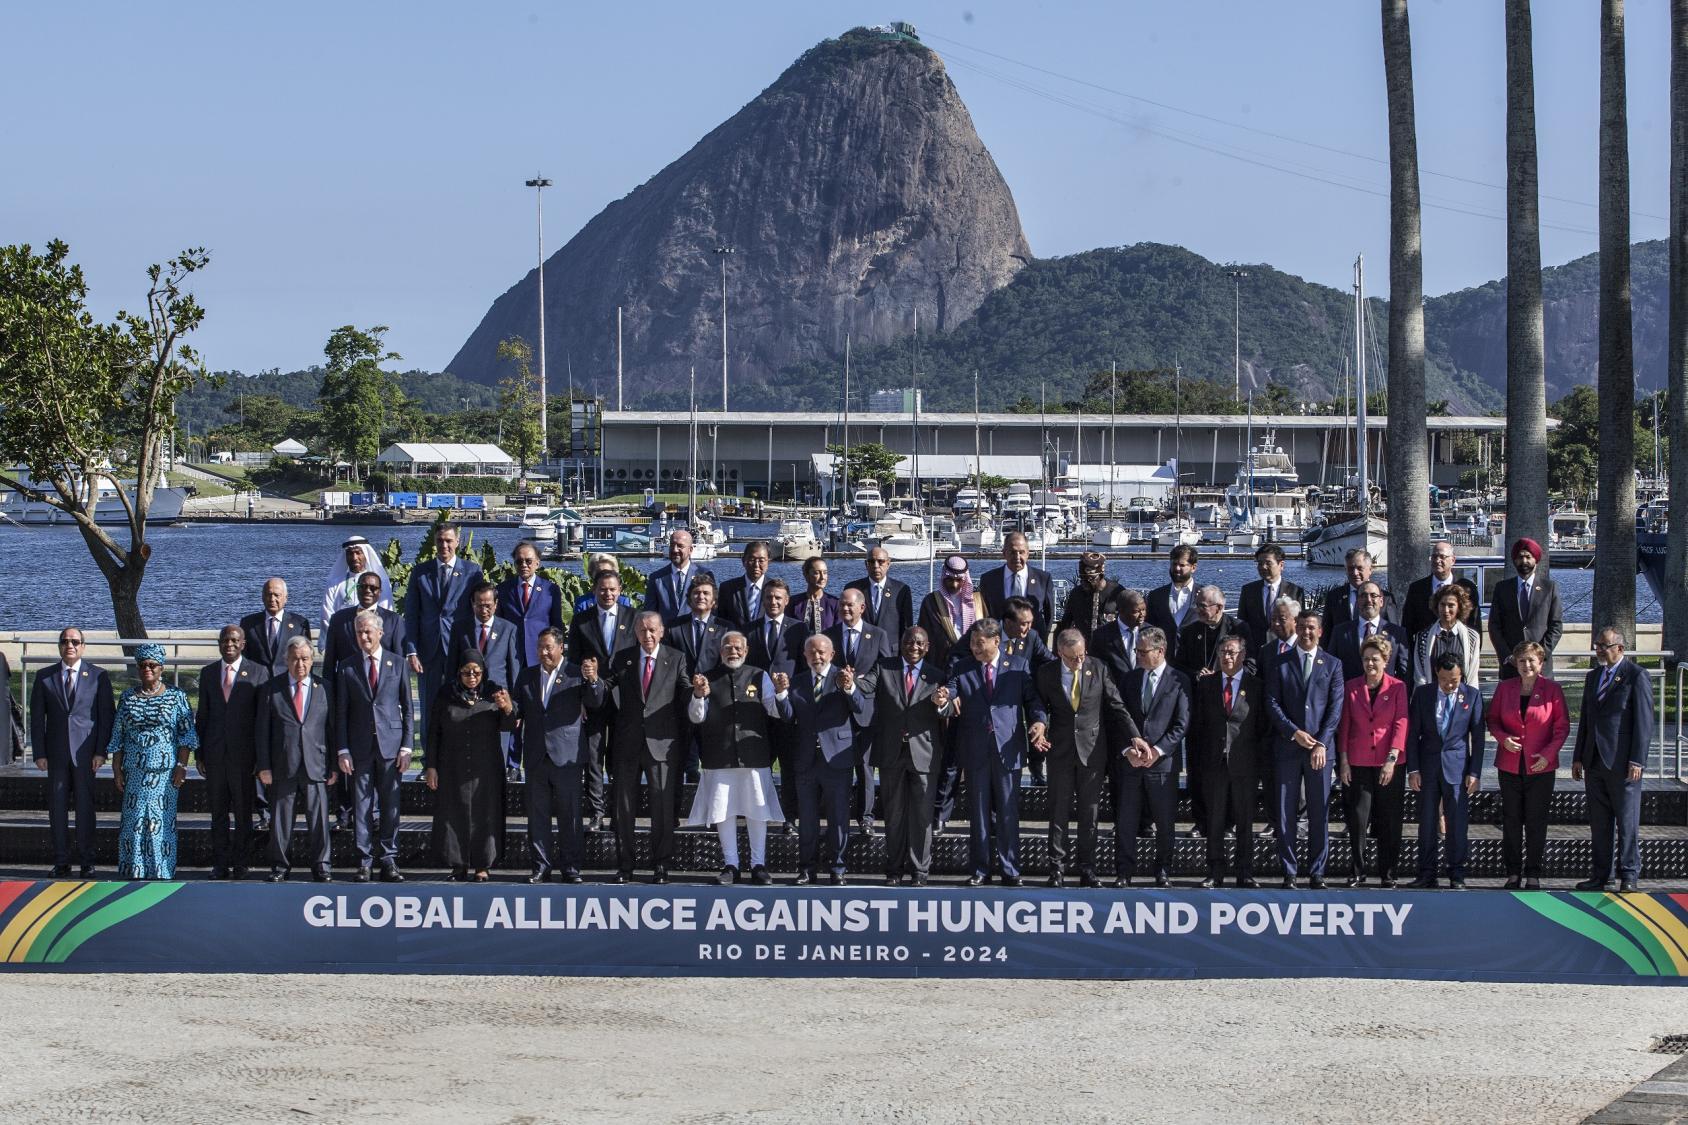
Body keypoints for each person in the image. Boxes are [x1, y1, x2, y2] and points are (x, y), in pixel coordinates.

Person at [938, 618, 1048, 887]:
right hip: (975, 749)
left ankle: (1010, 870)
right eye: (972, 643)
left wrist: (1039, 722)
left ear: (996, 641)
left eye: (980, 643)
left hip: (1007, 749)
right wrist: (943, 699)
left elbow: (1033, 700)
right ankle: (980, 869)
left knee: (1009, 812)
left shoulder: (1019, 666)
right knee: (978, 813)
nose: (974, 647)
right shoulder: (962, 667)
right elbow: (950, 691)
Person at [1037, 629, 1138, 888]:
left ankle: (1087, 868)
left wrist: (1134, 736)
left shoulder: (1099, 668)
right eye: (1072, 658)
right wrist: (1039, 724)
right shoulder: (1047, 673)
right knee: (1058, 813)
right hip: (1060, 752)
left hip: (1092, 753)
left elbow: (1116, 705)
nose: (1078, 662)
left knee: (1089, 814)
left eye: (1082, 655)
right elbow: (1039, 706)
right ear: (1060, 653)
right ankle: (1057, 869)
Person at [685, 631, 784, 885]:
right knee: (723, 811)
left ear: (746, 650)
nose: (733, 651)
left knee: (757, 811)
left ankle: (758, 864)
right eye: (728, 647)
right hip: (719, 756)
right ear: (720, 652)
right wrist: (698, 695)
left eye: (738, 647)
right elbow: (697, 717)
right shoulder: (707, 678)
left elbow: (774, 710)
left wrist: (782, 692)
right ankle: (731, 864)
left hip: (754, 757)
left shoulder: (759, 676)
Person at [600, 611, 692, 883]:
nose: (648, 635)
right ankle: (625, 866)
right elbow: (606, 687)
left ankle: (661, 865)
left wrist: (698, 693)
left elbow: (685, 690)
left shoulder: (676, 658)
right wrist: (593, 681)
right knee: (623, 809)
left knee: (662, 808)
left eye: (652, 630)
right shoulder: (622, 659)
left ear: (662, 631)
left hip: (662, 744)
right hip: (627, 743)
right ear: (635, 633)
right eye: (642, 630)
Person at [513, 629, 603, 884]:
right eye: (540, 647)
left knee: (570, 815)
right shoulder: (528, 675)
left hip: (567, 756)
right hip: (536, 755)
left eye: (548, 647)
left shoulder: (576, 673)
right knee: (537, 816)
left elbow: (596, 701)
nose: (543, 652)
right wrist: (508, 707)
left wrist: (594, 680)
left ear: (561, 647)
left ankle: (571, 867)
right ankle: (541, 866)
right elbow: (518, 708)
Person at [781, 635, 872, 885]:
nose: (817, 657)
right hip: (806, 760)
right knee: (807, 819)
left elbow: (859, 708)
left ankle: (838, 868)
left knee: (839, 818)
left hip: (837, 758)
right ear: (805, 656)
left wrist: (850, 687)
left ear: (832, 654)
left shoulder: (842, 677)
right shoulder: (798, 682)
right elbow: (788, 716)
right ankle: (807, 869)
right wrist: (780, 695)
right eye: (812, 653)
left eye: (821, 652)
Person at [1264, 609, 1343, 889]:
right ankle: (1289, 870)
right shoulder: (1279, 663)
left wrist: (1321, 742)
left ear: (1320, 631)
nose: (1306, 632)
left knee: (1319, 812)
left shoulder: (1332, 664)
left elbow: (1335, 709)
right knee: (1286, 811)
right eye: (1302, 627)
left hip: (1320, 751)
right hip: (1288, 748)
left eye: (1311, 627)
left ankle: (1317, 871)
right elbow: (1272, 703)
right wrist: (1292, 732)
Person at [333, 609, 413, 883]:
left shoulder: (397, 663)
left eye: (368, 631)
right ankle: (364, 860)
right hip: (359, 747)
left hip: (391, 747)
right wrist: (342, 749)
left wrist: (407, 747)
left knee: (391, 805)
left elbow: (408, 709)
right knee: (362, 805)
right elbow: (341, 712)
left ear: (380, 633)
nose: (364, 636)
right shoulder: (347, 666)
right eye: (359, 632)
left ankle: (389, 859)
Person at [1573, 627, 1654, 892]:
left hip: (1622, 763)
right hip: (1594, 760)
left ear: (1620, 648)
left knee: (1627, 821)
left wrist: (1637, 760)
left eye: (1604, 645)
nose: (1598, 649)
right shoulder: (1593, 676)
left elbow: (1644, 722)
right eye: (1596, 645)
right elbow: (1586, 719)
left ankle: (1628, 874)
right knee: (1600, 823)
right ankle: (1601, 875)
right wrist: (1578, 757)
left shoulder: (1636, 676)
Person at [425, 649, 517, 882]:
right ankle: (458, 865)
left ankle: (482, 866)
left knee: (485, 814)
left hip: (485, 768)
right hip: (452, 765)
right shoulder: (446, 693)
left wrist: (507, 708)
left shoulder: (494, 691)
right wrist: (431, 766)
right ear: (458, 673)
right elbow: (434, 731)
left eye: (477, 672)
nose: (472, 677)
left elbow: (508, 726)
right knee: (453, 815)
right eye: (466, 673)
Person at [107, 644, 196, 880]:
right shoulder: (127, 697)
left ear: (161, 668)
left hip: (165, 773)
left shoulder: (176, 697)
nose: (147, 669)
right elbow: (118, 735)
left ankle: (161, 871)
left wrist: (182, 766)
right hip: (135, 771)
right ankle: (133, 870)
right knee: (134, 822)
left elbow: (186, 735)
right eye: (142, 665)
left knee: (160, 823)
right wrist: (116, 769)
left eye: (152, 665)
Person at [30, 627, 114, 878]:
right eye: (65, 641)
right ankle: (61, 861)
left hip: (86, 756)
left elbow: (105, 717)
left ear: (83, 646)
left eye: (75, 641)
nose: (70, 645)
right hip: (55, 755)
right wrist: (39, 753)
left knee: (85, 808)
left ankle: (87, 861)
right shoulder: (44, 677)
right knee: (57, 809)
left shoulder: (98, 676)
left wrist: (101, 751)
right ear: (59, 646)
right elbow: (37, 719)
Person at [1487, 641, 1570, 890]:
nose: (1526, 665)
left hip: (1540, 767)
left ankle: (1533, 872)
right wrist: (1503, 739)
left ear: (1541, 663)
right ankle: (1512, 872)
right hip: (1510, 765)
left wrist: (1548, 754)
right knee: (1511, 820)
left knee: (1536, 821)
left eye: (1531, 660)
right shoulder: (1505, 688)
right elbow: (1492, 720)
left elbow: (1562, 726)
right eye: (1522, 660)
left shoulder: (1552, 689)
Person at [1189, 636, 1267, 888]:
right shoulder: (1206, 684)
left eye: (1232, 652)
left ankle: (1244, 871)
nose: (1227, 657)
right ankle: (1215, 871)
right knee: (1215, 819)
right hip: (1214, 762)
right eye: (1223, 652)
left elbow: (1262, 726)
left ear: (1243, 655)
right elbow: (1198, 725)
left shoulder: (1255, 686)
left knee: (1244, 819)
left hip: (1244, 763)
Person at [872, 627, 948, 886]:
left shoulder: (937, 675)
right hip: (891, 753)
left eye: (919, 643)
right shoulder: (885, 668)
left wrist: (942, 704)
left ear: (927, 647)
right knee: (893, 815)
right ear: (900, 644)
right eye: (908, 642)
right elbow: (865, 688)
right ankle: (894, 870)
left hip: (924, 754)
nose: (913, 647)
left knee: (922, 818)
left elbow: (945, 710)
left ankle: (919, 871)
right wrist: (847, 684)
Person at [256, 637, 336, 883]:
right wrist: (264, 766)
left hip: (317, 765)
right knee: (280, 820)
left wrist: (333, 766)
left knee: (320, 819)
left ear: (312, 660)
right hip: (283, 764)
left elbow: (332, 729)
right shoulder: (271, 688)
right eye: (294, 659)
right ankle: (280, 866)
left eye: (305, 659)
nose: (300, 664)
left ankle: (321, 865)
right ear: (286, 660)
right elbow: (262, 731)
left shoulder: (325, 688)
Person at [1115, 626, 1189, 888]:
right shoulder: (1129, 679)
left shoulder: (1179, 680)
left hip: (1162, 765)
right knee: (1126, 821)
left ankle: (1163, 869)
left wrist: (1157, 751)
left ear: (1160, 651)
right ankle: (1124, 871)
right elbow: (1119, 717)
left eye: (1143, 651)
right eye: (1136, 650)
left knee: (1165, 821)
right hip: (1132, 763)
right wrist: (1128, 750)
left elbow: (1181, 725)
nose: (1138, 655)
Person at [1407, 652, 1485, 889]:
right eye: (1444, 680)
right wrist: (1414, 769)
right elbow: (1412, 736)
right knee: (1427, 822)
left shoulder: (1472, 696)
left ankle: (1457, 872)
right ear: (1436, 675)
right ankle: (1426, 872)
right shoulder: (1423, 694)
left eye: (1454, 680)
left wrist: (1475, 772)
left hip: (1458, 768)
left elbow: (1478, 738)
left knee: (1457, 822)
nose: (1449, 685)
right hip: (1428, 767)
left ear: (1461, 675)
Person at [567, 568, 637, 831]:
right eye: (602, 589)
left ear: (620, 591)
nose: (607, 594)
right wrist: (579, 699)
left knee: (619, 758)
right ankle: (596, 812)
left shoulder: (632, 617)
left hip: (623, 697)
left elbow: (637, 658)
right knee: (593, 758)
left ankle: (619, 813)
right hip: (592, 697)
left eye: (612, 589)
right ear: (594, 590)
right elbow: (573, 663)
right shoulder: (582, 620)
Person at [1337, 635, 1409, 887]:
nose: (1370, 664)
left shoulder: (1398, 687)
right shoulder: (1351, 687)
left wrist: (1392, 759)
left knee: (1389, 820)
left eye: (1375, 659)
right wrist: (1344, 761)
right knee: (1358, 819)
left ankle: (1388, 872)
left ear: (1386, 660)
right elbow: (1344, 725)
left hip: (1389, 763)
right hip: (1358, 762)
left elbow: (1401, 724)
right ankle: (1358, 870)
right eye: (1366, 659)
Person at [195, 625, 264, 879]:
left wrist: (260, 758)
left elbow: (261, 719)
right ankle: (220, 863)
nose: (230, 645)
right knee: (218, 813)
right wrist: (200, 753)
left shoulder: (258, 673)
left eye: (235, 640)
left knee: (244, 814)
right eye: (225, 640)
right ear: (219, 643)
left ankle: (241, 863)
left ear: (243, 643)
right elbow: (202, 716)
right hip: (215, 757)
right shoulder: (208, 673)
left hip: (245, 759)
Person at [405, 523, 484, 729]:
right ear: (434, 542)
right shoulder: (421, 573)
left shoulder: (472, 572)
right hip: (428, 652)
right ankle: (428, 757)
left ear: (457, 542)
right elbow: (412, 615)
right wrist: (412, 651)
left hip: (459, 651)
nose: (444, 545)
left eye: (449, 540)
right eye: (440, 540)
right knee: (429, 708)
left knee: (460, 706)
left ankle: (455, 759)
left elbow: (479, 612)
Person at [825, 588, 887, 838]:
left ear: (862, 608)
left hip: (866, 710)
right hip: (836, 710)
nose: (845, 609)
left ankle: (866, 818)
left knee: (864, 767)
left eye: (850, 605)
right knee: (836, 767)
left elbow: (882, 670)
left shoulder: (878, 635)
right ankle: (835, 816)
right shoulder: (828, 635)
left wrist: (856, 684)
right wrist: (840, 681)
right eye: (842, 605)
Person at [1488, 537, 1564, 679]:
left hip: (1540, 667)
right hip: (1511, 667)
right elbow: (1494, 626)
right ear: (1515, 560)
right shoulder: (1502, 588)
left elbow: (1556, 626)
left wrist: (1540, 655)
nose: (1524, 561)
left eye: (1528, 557)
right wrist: (1508, 656)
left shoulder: (1549, 588)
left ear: (1536, 559)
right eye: (1520, 557)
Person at [322, 570, 407, 678]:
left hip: (384, 685)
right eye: (363, 586)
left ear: (380, 592)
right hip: (347, 686)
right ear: (357, 589)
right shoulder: (339, 619)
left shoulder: (394, 620)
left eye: (373, 588)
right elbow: (330, 662)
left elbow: (399, 661)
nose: (367, 591)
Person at [496, 541, 566, 669]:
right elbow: (498, 623)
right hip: (512, 654)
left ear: (537, 563)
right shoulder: (502, 589)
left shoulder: (551, 590)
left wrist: (559, 651)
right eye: (519, 561)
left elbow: (556, 623)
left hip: (541, 653)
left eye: (528, 561)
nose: (524, 565)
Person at [1330, 580, 1410, 683]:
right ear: (1357, 602)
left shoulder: (1397, 633)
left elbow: (1404, 672)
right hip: (1350, 695)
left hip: (1385, 695)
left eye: (1373, 595)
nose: (1368, 600)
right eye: (1363, 595)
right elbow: (1332, 669)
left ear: (1381, 601)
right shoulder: (1340, 632)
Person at [917, 554, 986, 673]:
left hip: (973, 662)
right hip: (941, 663)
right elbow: (924, 635)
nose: (954, 584)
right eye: (950, 579)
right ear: (944, 577)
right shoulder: (931, 601)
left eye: (959, 580)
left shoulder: (978, 601)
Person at [1400, 541, 1481, 639]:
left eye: (1442, 557)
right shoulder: (1416, 589)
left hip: (1459, 648)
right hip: (1426, 649)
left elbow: (1475, 625)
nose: (1437, 560)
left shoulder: (1467, 588)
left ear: (1453, 560)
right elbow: (1407, 625)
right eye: (1434, 557)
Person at [980, 532, 1054, 635]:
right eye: (1013, 552)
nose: (1017, 557)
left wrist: (1043, 638)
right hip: (999, 642)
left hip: (1032, 643)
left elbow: (1049, 615)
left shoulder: (1043, 579)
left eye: (1021, 552)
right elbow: (984, 614)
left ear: (1028, 553)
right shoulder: (988, 579)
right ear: (1004, 553)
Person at [1411, 584, 1483, 689]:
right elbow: (1419, 675)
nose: (1445, 610)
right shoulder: (1423, 637)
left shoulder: (1472, 637)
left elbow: (1472, 676)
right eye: (1442, 604)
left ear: (1459, 607)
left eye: (1451, 605)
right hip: (1432, 698)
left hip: (1461, 698)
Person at [240, 577, 312, 676]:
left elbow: (307, 658)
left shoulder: (300, 624)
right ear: (262, 597)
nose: (272, 599)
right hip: (257, 684)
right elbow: (244, 658)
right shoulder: (248, 623)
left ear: (286, 598)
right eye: (269, 595)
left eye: (276, 595)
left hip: (286, 684)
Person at [322, 535, 392, 635]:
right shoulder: (334, 584)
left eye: (358, 553)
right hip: (343, 640)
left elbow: (386, 614)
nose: (354, 558)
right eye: (350, 554)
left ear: (366, 555)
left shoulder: (379, 583)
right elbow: (327, 616)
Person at [645, 529, 714, 626]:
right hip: (666, 637)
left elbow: (713, 610)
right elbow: (649, 614)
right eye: (672, 545)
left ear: (690, 550)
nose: (675, 550)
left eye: (680, 546)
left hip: (694, 635)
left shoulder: (705, 574)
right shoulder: (656, 578)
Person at [846, 547, 914, 643]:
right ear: (866, 564)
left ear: (888, 563)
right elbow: (846, 622)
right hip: (861, 650)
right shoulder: (853, 589)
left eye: (880, 561)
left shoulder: (901, 590)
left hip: (891, 653)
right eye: (871, 561)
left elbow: (907, 626)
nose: (876, 566)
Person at [1145, 545, 1200, 664]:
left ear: (1193, 567)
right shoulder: (1156, 596)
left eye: (1182, 565)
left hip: (1195, 664)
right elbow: (1149, 629)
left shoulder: (1204, 595)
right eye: (1174, 564)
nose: (1177, 568)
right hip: (1164, 663)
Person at [1238, 543, 1305, 640]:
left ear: (1281, 565)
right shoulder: (1248, 590)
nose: (1263, 567)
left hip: (1284, 648)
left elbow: (1300, 623)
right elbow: (1242, 623)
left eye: (1268, 563)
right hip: (1255, 649)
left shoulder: (1295, 591)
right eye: (1260, 563)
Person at [1056, 551, 1123, 647]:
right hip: (1084, 649)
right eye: (1083, 580)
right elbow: (1065, 624)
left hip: (1110, 648)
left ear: (1101, 575)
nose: (1086, 583)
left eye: (1090, 579)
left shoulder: (1117, 592)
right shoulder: (1076, 594)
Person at [1322, 548, 1393, 636]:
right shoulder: (1334, 596)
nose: (1355, 573)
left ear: (1370, 570)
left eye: (1360, 568)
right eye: (1351, 568)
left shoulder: (1386, 597)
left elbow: (1394, 632)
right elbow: (1326, 632)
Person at [1092, 589, 1146, 685]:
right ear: (1121, 611)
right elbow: (1096, 669)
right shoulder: (1102, 635)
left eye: (1144, 610)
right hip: (1115, 694)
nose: (1142, 615)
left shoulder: (1151, 632)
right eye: (1136, 611)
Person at [717, 540, 772, 630]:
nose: (756, 565)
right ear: (743, 561)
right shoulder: (727, 588)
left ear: (768, 562)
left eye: (761, 560)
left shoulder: (775, 590)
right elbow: (721, 622)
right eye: (752, 560)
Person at [789, 556, 840, 638]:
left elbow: (838, 634)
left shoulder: (835, 603)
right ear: (806, 575)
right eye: (817, 573)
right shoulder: (793, 602)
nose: (822, 577)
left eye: (825, 572)